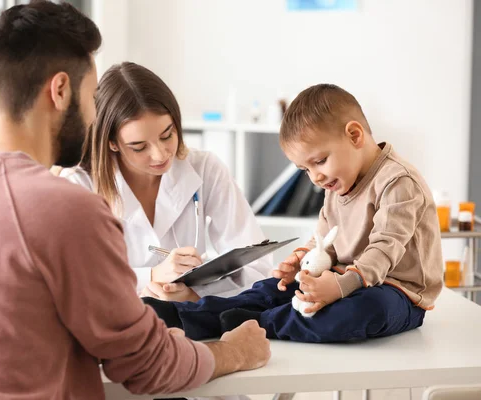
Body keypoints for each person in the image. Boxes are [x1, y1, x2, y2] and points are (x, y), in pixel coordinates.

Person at [0, 2, 271, 399]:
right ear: (61, 90)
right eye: (90, 96)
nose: (91, 117)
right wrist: (234, 352)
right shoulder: (64, 207)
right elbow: (146, 364)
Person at [144, 83, 444, 343]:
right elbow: (324, 241)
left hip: (396, 293)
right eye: (305, 169)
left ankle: (256, 323)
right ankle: (185, 315)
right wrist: (302, 260)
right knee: (270, 288)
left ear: (354, 135)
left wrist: (340, 286)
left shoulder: (398, 182)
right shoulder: (337, 183)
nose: (314, 177)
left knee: (360, 311)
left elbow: (384, 250)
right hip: (341, 278)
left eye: (320, 161)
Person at [60, 62, 271, 302]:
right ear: (112, 143)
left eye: (167, 135)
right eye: (139, 147)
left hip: (191, 322)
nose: (160, 155)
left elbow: (257, 265)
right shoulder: (79, 186)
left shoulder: (205, 169)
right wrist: (151, 276)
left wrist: (195, 293)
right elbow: (74, 282)